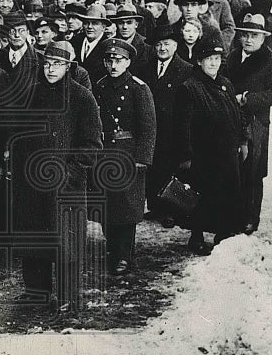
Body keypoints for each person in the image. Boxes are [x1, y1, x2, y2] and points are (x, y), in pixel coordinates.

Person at [10, 40, 103, 307]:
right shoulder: (30, 94)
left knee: (67, 240)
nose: (51, 69)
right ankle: (36, 290)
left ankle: (67, 293)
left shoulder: (82, 97)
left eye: (58, 64)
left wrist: (70, 172)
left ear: (68, 67)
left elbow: (91, 144)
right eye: (48, 63)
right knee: (33, 237)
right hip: (31, 183)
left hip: (66, 186)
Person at [174, 34, 248, 254]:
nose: (213, 63)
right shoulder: (190, 87)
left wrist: (242, 140)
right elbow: (182, 127)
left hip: (227, 153)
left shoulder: (225, 83)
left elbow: (237, 115)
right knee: (201, 198)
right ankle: (196, 237)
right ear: (199, 61)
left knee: (227, 194)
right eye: (208, 59)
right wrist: (186, 156)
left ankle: (222, 233)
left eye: (217, 58)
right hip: (203, 155)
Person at [94, 39, 156, 276]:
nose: (113, 65)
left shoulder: (139, 88)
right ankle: (111, 249)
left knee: (127, 208)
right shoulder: (99, 86)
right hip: (104, 153)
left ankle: (124, 255)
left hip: (128, 154)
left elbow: (149, 126)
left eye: (118, 60)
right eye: (109, 60)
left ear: (128, 62)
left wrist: (143, 157)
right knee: (107, 205)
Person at [224, 13, 272, 234]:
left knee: (253, 170)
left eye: (254, 36)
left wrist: (247, 98)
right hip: (231, 121)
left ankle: (251, 217)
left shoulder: (270, 61)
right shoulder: (231, 58)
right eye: (246, 35)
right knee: (233, 168)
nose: (249, 40)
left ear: (262, 38)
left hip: (256, 123)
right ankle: (234, 215)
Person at [141, 18, 193, 224]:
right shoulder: (146, 68)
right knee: (154, 167)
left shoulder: (186, 69)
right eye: (159, 44)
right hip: (153, 127)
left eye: (167, 44)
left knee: (171, 167)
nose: (162, 48)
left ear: (176, 46)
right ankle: (155, 206)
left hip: (175, 128)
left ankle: (171, 210)